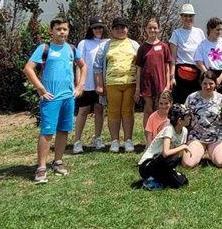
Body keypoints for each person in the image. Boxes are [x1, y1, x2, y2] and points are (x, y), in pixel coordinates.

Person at [23, 17, 87, 183]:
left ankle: (57, 161)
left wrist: (80, 86)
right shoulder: (44, 48)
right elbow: (28, 68)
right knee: (47, 132)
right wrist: (40, 89)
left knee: (63, 130)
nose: (62, 32)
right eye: (58, 29)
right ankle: (41, 168)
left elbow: (83, 66)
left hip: (68, 97)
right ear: (51, 31)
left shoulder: (71, 49)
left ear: (68, 31)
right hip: (51, 99)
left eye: (65, 29)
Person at [94, 17, 140, 153]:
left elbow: (140, 65)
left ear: (127, 29)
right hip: (112, 84)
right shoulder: (105, 45)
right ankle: (114, 141)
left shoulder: (134, 45)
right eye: (116, 28)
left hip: (130, 83)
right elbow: (97, 66)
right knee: (113, 112)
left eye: (122, 27)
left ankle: (128, 140)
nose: (120, 30)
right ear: (112, 30)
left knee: (128, 111)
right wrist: (99, 85)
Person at [182, 71, 222, 169]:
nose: (208, 86)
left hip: (216, 136)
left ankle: (214, 150)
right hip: (197, 136)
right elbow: (185, 118)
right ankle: (200, 150)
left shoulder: (221, 98)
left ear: (215, 84)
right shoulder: (191, 98)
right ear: (200, 83)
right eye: (205, 83)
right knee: (188, 164)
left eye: (211, 83)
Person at [72, 18, 107, 154]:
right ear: (91, 29)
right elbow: (79, 64)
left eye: (100, 27)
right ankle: (77, 141)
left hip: (100, 84)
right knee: (83, 111)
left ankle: (97, 138)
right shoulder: (84, 43)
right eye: (95, 28)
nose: (98, 30)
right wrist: (79, 83)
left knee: (99, 110)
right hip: (86, 84)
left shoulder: (107, 42)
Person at [138, 102, 190, 190]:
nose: (190, 118)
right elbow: (166, 153)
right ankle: (150, 179)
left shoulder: (184, 131)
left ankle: (160, 178)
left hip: (163, 163)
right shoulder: (168, 129)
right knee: (170, 161)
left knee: (182, 182)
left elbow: (175, 155)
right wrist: (183, 147)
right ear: (180, 121)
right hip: (148, 165)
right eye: (187, 116)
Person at [135, 18, 172, 134]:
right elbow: (139, 69)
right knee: (148, 110)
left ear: (159, 29)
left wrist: (167, 85)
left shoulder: (164, 46)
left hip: (160, 84)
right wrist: (137, 88)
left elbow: (167, 67)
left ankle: (160, 136)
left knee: (160, 110)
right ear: (146, 29)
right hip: (147, 85)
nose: (152, 30)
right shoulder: (142, 48)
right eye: (150, 28)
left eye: (155, 28)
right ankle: (149, 137)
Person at [168, 3, 206, 106]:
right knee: (180, 104)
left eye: (190, 16)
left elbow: (204, 54)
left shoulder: (199, 32)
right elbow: (173, 58)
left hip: (197, 72)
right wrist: (172, 77)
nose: (188, 18)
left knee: (196, 103)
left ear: (194, 17)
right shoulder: (176, 33)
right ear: (181, 17)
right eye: (185, 16)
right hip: (181, 73)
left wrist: (204, 72)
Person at [194, 17, 222, 103]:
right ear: (210, 29)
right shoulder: (202, 44)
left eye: (221, 29)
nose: (219, 32)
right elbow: (199, 61)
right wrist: (208, 76)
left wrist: (220, 78)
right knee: (207, 101)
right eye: (217, 29)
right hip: (208, 74)